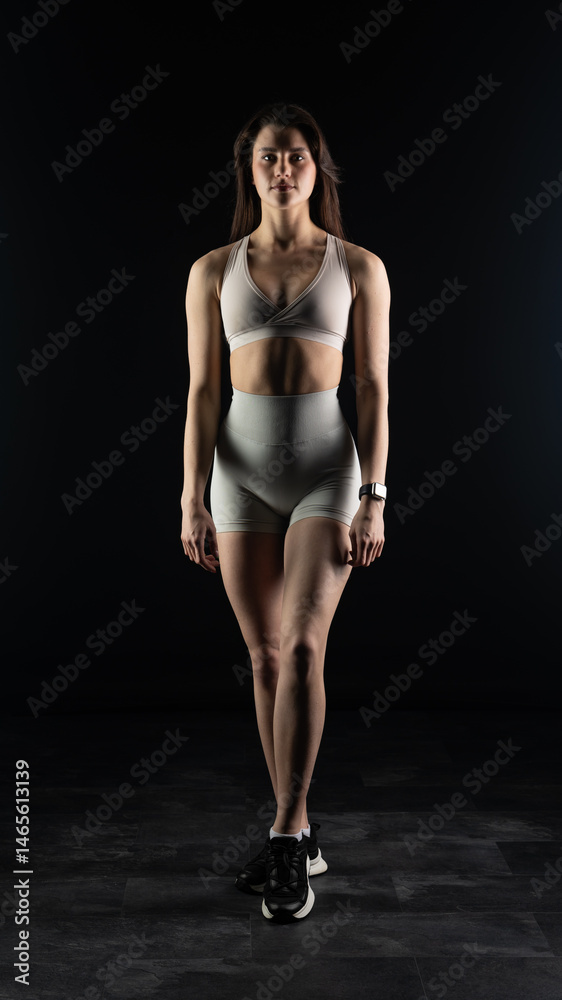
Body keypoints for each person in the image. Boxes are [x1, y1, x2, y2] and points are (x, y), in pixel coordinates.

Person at [180, 102, 390, 923]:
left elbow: (373, 389)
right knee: (265, 658)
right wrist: (191, 494)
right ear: (249, 168)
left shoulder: (358, 267)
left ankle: (286, 835)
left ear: (317, 167)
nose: (282, 169)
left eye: (296, 155)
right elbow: (203, 392)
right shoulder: (211, 271)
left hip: (327, 475)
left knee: (303, 647)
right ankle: (296, 834)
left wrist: (375, 496)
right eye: (268, 156)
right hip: (238, 478)